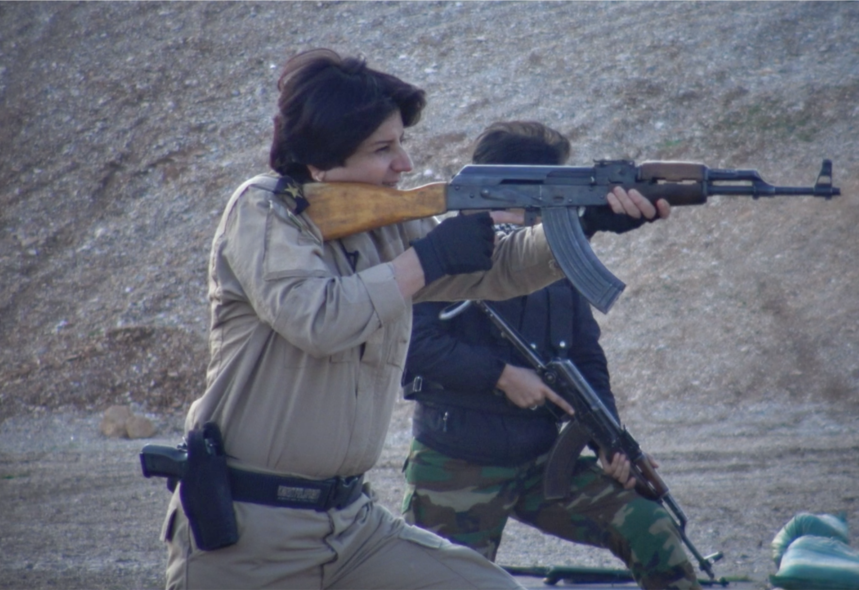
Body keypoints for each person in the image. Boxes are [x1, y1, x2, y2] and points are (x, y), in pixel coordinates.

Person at [160, 49, 668, 590]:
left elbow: (499, 270)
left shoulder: (384, 226)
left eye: (401, 143)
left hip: (351, 525)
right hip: (250, 530)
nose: (404, 164)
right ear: (319, 160)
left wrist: (583, 220)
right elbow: (319, 318)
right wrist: (427, 259)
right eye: (383, 149)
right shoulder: (264, 210)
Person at [401, 121, 700, 590]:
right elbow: (410, 347)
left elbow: (585, 354)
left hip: (543, 463)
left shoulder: (551, 254)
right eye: (549, 183)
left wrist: (609, 439)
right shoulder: (446, 248)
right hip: (459, 463)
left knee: (650, 527)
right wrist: (502, 375)